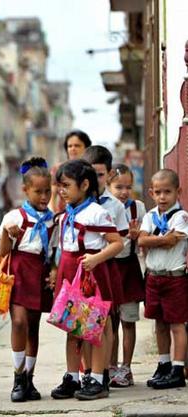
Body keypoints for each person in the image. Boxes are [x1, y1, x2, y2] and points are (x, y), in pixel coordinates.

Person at [50, 159, 123, 401]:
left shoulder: (97, 213)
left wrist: (96, 258)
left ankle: (99, 380)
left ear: (84, 185)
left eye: (66, 185)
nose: (61, 190)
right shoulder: (65, 214)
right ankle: (73, 376)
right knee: (72, 328)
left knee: (95, 329)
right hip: (69, 272)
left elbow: (117, 243)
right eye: (59, 186)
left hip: (90, 274)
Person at [0, 157, 55, 402]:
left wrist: (53, 271)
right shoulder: (14, 217)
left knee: (33, 326)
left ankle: (30, 379)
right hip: (18, 272)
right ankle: (17, 377)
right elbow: (2, 253)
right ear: (25, 190)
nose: (44, 196)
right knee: (18, 322)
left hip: (39, 273)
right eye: (38, 191)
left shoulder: (53, 220)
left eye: (47, 191)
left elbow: (52, 252)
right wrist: (8, 236)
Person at [83, 145, 130, 386]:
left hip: (106, 268)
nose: (94, 179)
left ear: (109, 175)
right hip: (82, 269)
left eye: (100, 174)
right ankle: (87, 372)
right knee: (82, 322)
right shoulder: (77, 200)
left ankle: (104, 372)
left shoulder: (115, 206)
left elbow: (120, 241)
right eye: (90, 173)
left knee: (106, 321)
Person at [138, 169, 188, 389]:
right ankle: (164, 363)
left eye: (167, 192)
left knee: (177, 324)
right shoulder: (150, 216)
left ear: (178, 192)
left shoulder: (182, 217)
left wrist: (152, 239)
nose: (162, 197)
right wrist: (162, 239)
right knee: (158, 323)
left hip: (174, 278)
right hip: (154, 278)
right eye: (157, 192)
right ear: (151, 192)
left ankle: (178, 368)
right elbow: (141, 241)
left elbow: (172, 242)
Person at [107, 164, 146, 387]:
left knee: (128, 321)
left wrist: (136, 237)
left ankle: (126, 368)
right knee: (110, 323)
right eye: (118, 187)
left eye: (128, 187)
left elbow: (143, 241)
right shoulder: (105, 208)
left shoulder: (137, 208)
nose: (123, 192)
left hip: (129, 268)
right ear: (108, 187)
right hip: (110, 268)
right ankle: (111, 365)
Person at [49, 130, 92, 213]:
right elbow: (52, 195)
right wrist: (53, 215)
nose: (73, 149)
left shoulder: (91, 170)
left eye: (77, 145)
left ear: (86, 148)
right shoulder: (58, 169)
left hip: (88, 215)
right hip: (63, 216)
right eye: (70, 146)